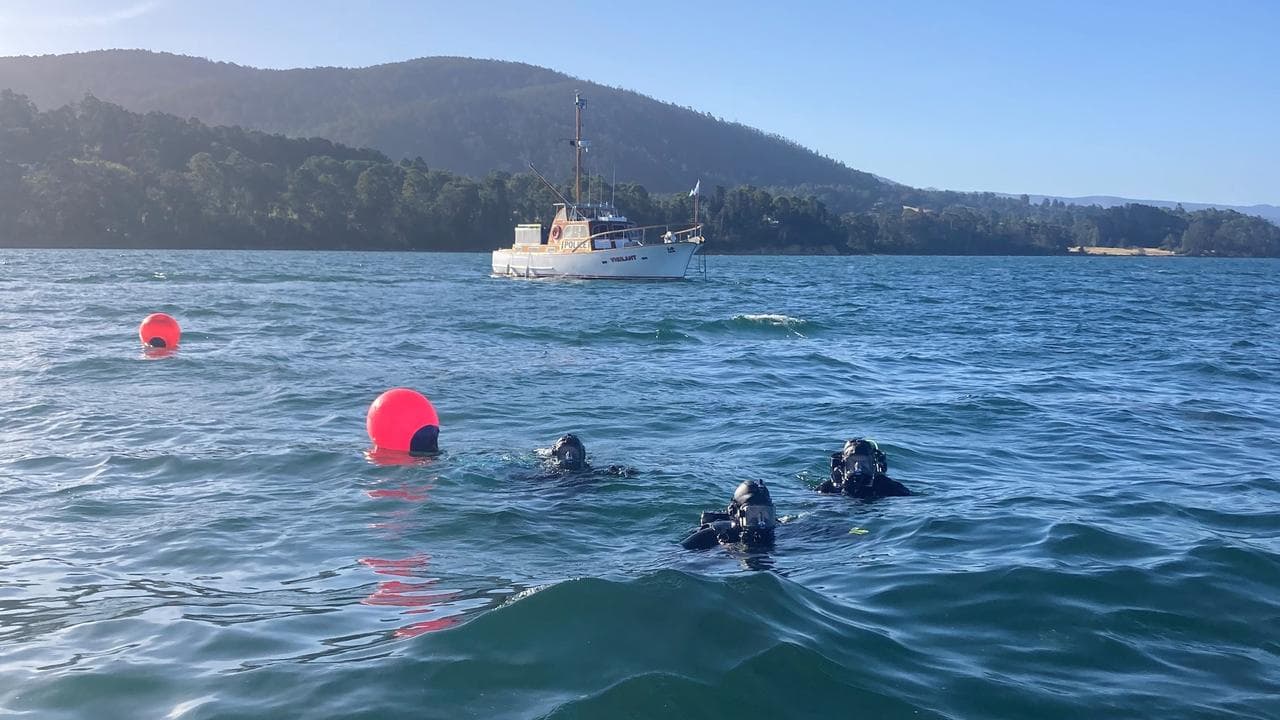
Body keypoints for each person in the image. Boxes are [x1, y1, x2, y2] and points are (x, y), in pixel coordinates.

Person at [681, 479, 778, 550]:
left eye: (766, 513)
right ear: (736, 513)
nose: (761, 522)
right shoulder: (714, 535)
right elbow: (678, 555)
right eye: (752, 513)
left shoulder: (777, 531)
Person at [818, 438, 911, 499]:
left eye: (864, 463)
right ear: (843, 465)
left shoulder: (888, 486)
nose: (858, 467)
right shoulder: (829, 487)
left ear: (873, 464)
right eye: (852, 462)